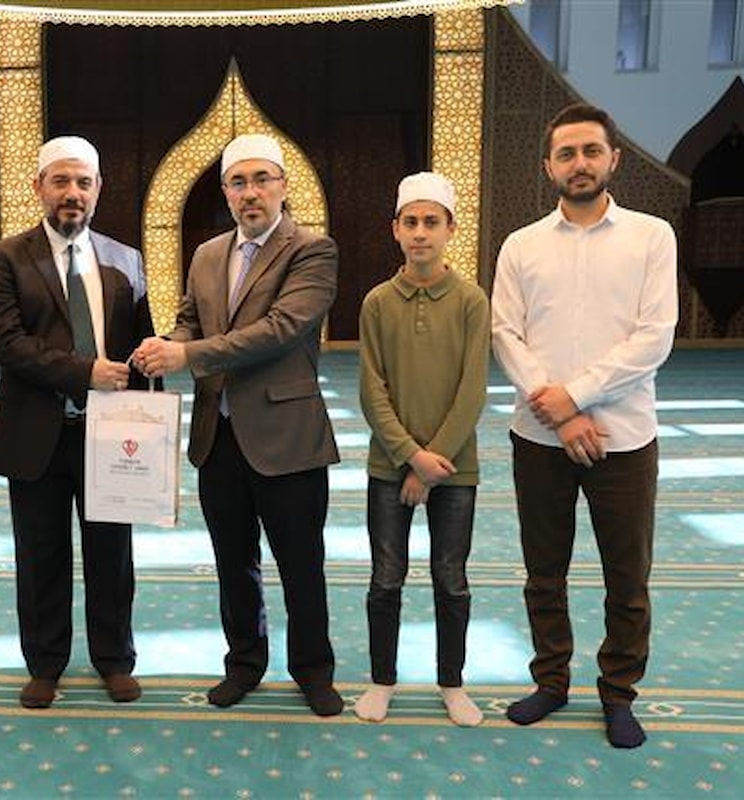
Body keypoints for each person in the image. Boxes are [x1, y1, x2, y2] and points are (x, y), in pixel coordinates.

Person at [133, 133, 343, 716]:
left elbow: (280, 329)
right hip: (218, 436)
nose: (251, 193)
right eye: (238, 182)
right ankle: (244, 664)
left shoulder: (312, 250)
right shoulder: (207, 254)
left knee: (301, 563)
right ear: (226, 191)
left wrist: (186, 355)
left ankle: (314, 671)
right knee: (234, 562)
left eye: (261, 180)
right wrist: (163, 346)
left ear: (282, 186)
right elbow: (189, 321)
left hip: (286, 435)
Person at [492, 103, 678, 748]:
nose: (579, 163)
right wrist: (561, 412)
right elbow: (506, 335)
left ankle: (618, 693)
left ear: (613, 159)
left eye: (591, 151)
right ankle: (550, 681)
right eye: (566, 154)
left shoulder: (652, 237)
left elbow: (653, 338)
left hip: (624, 437)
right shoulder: (521, 245)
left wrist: (573, 399)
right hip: (539, 437)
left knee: (627, 578)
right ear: (548, 166)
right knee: (544, 573)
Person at [0, 135, 155, 709]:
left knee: (112, 555)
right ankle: (45, 663)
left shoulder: (126, 259)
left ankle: (114, 659)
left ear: (98, 189)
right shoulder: (6, 257)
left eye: (83, 182)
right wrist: (85, 373)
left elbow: (141, 346)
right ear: (39, 188)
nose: (72, 193)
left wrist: (151, 423)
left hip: (112, 436)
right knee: (40, 555)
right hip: (36, 433)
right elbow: (6, 343)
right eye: (60, 181)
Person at [354, 172, 490, 727]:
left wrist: (431, 465)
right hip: (390, 468)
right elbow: (372, 390)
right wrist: (411, 457)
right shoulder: (377, 303)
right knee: (386, 578)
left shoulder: (472, 301)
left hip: (455, 469)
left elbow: (472, 391)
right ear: (395, 229)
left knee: (450, 580)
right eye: (410, 222)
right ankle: (382, 681)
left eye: (431, 222)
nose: (420, 232)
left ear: (450, 228)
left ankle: (452, 683)